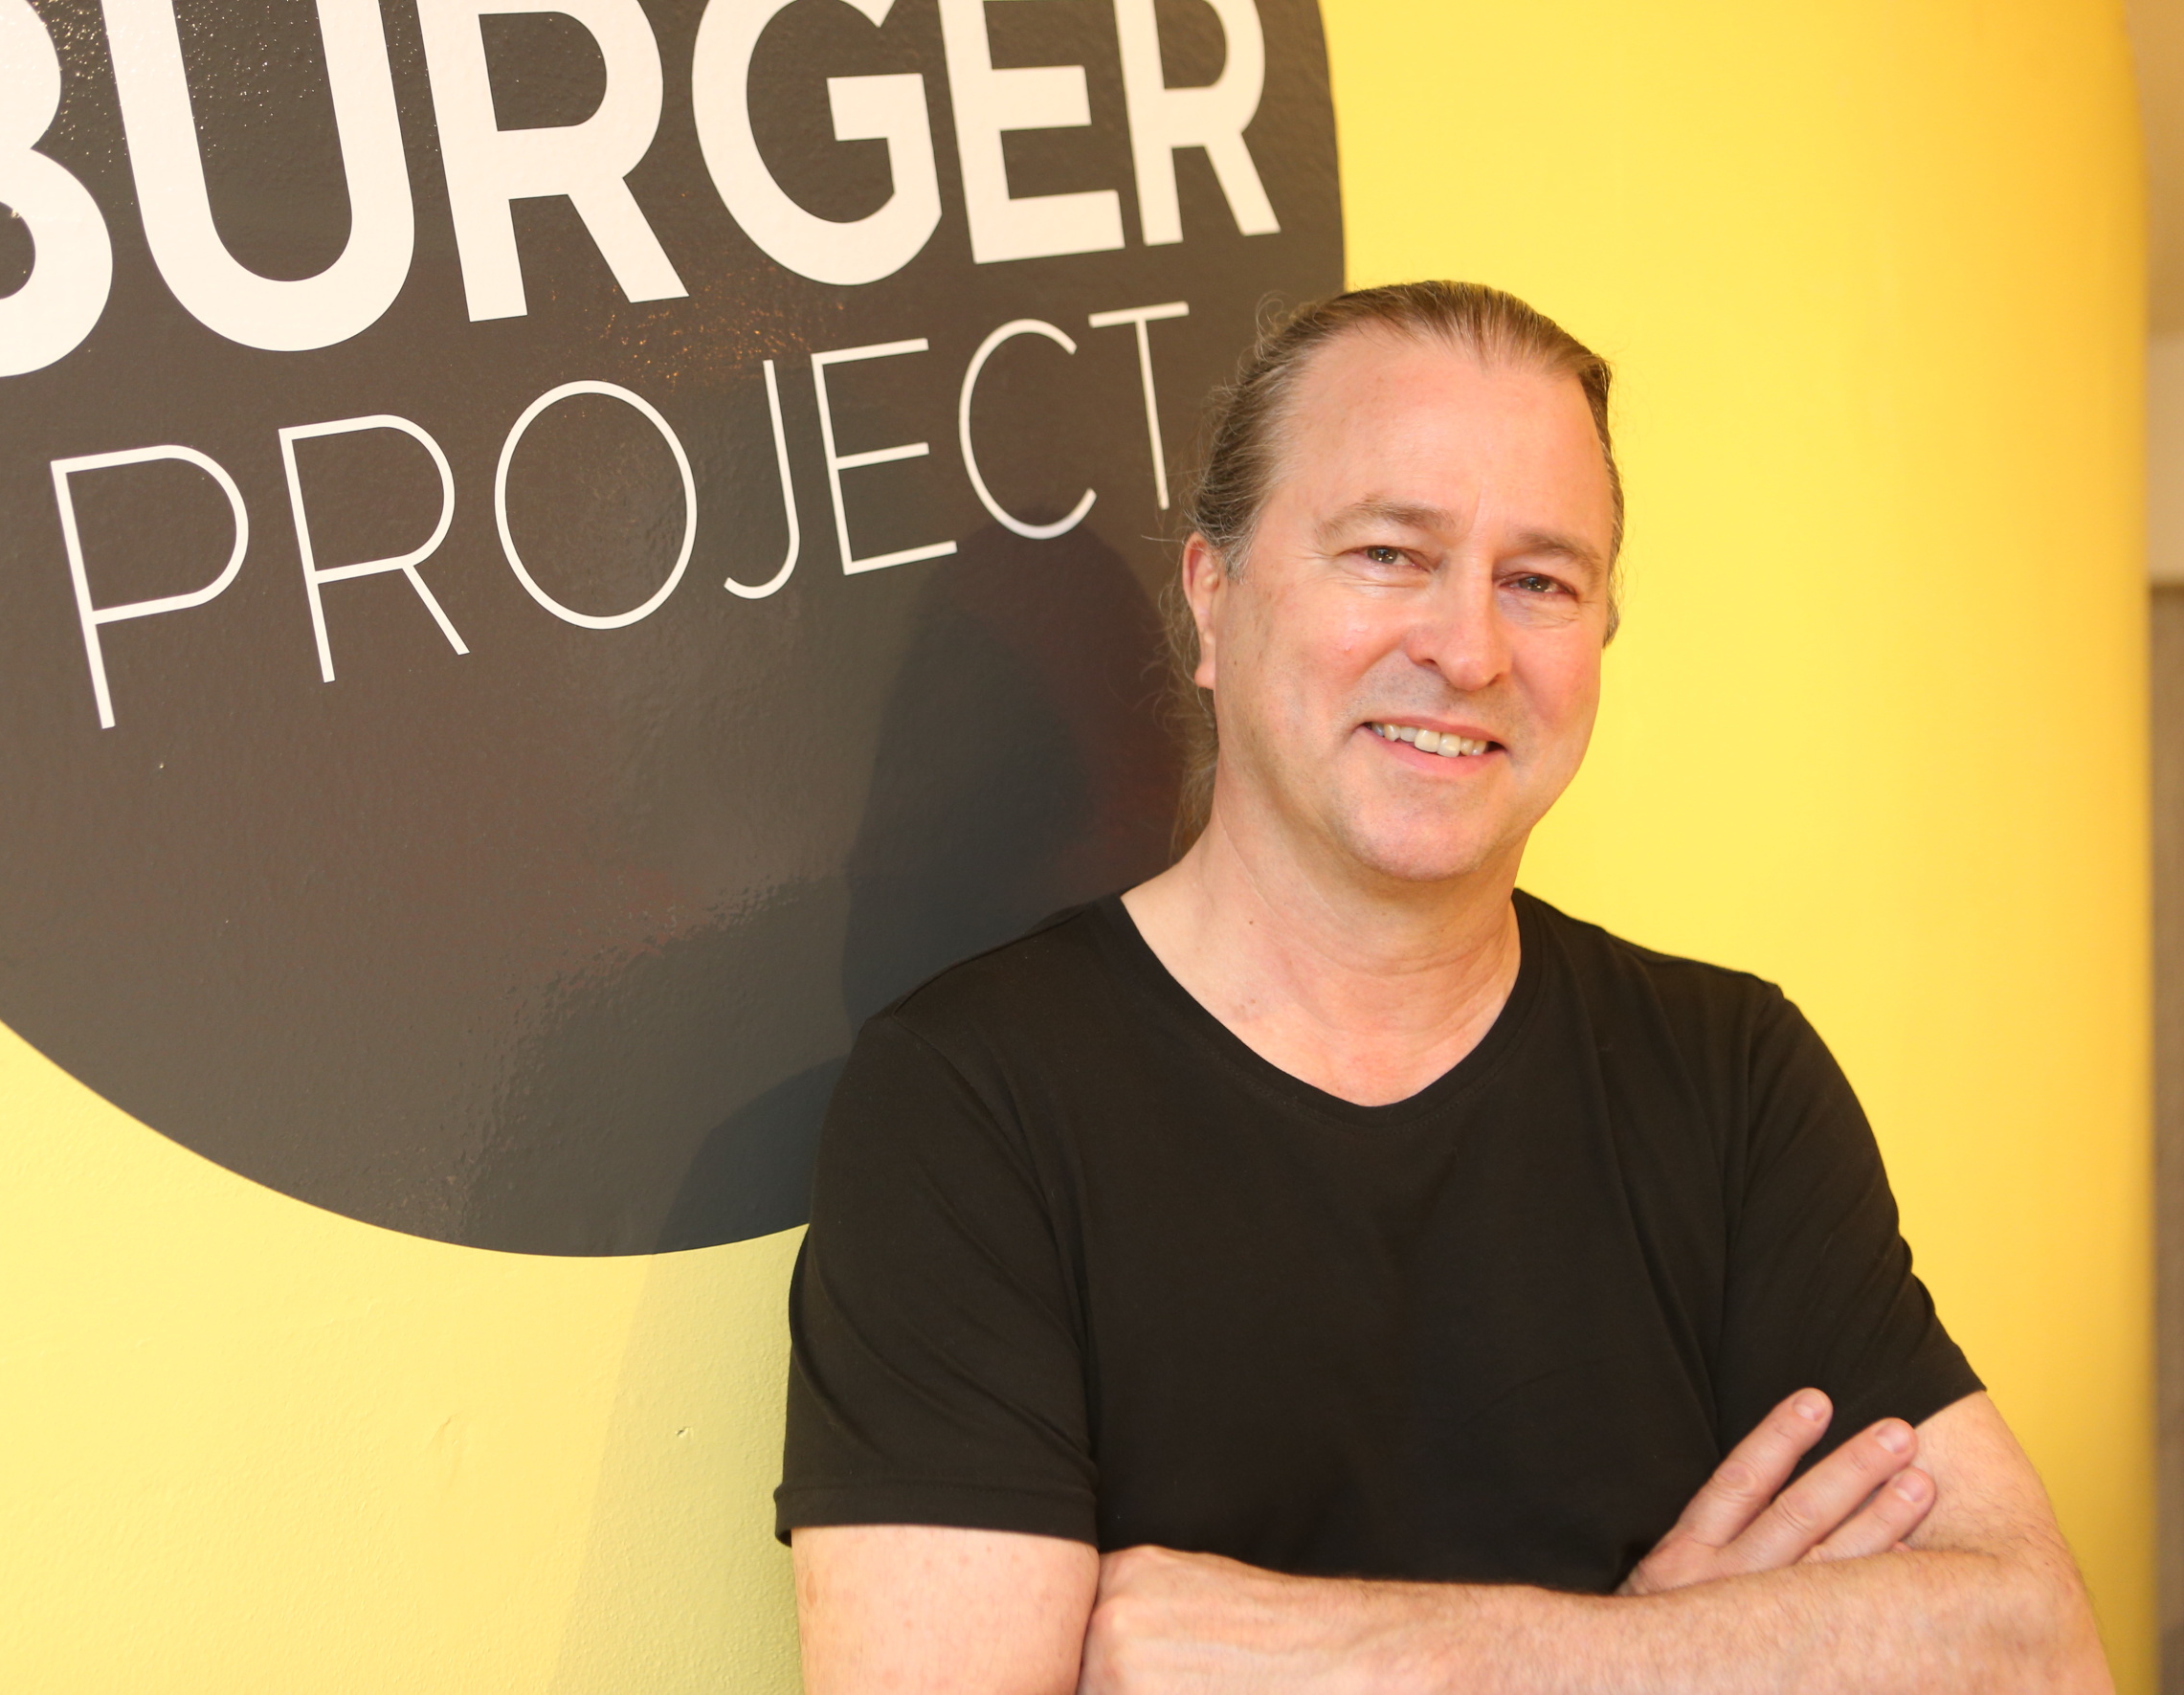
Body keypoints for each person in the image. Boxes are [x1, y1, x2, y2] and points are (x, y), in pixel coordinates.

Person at [773, 281, 2111, 1693]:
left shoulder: (1730, 1077)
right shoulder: (972, 1105)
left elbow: (2036, 1650)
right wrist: (1707, 1655)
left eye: (1540, 582)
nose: (1468, 652)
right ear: (1212, 598)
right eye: (1387, 555)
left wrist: (1466, 1660)